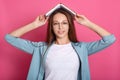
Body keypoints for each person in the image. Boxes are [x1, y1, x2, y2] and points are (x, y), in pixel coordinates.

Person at [5, 8, 116, 80]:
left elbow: (110, 39)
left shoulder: (82, 48)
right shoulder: (40, 48)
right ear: (51, 27)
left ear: (69, 26)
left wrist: (87, 23)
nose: (60, 27)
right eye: (56, 23)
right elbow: (10, 38)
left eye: (64, 23)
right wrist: (34, 25)